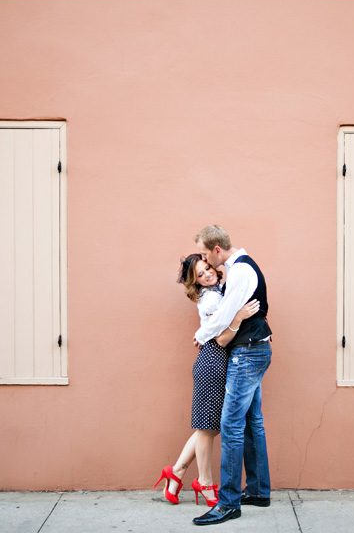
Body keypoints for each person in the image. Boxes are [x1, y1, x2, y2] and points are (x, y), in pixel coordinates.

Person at [154, 254, 260, 507]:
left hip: (217, 360)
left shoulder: (218, 291)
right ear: (196, 282)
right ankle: (204, 481)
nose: (207, 274)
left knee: (208, 426)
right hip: (213, 359)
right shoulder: (211, 298)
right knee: (208, 428)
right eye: (200, 275)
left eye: (208, 268)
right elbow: (219, 328)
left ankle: (177, 471)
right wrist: (238, 316)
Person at [191, 225, 273, 526]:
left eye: (203, 253)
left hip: (248, 353)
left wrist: (202, 333)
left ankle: (227, 503)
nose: (204, 259)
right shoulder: (239, 269)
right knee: (252, 422)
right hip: (254, 349)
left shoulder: (240, 272)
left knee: (231, 424)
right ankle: (258, 490)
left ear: (216, 249)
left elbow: (225, 314)